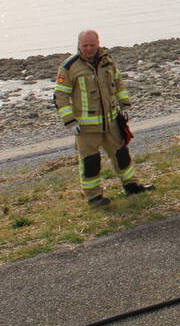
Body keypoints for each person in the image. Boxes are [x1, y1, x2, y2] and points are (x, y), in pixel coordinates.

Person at [54, 30, 154, 206]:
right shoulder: (69, 67)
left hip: (111, 122)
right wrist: (70, 121)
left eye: (92, 45)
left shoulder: (107, 61)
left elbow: (118, 83)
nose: (89, 49)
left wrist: (125, 105)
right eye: (85, 45)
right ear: (79, 45)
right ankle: (94, 197)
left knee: (122, 155)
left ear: (98, 43)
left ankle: (131, 186)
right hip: (86, 128)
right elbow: (60, 96)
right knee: (90, 162)